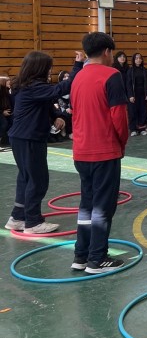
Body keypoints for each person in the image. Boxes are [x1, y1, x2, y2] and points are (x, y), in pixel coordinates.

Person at [4, 50, 84, 234]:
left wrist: (58, 116)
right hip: (29, 138)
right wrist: (78, 65)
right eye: (48, 67)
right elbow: (63, 88)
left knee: (26, 177)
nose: (50, 70)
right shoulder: (34, 87)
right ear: (39, 68)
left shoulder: (27, 86)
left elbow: (46, 104)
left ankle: (17, 217)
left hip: (20, 137)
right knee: (37, 180)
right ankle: (33, 222)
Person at [70, 32, 129, 274]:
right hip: (104, 151)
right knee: (103, 206)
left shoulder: (78, 77)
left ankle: (81, 255)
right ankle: (97, 258)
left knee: (87, 204)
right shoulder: (112, 76)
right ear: (107, 52)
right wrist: (121, 144)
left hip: (81, 151)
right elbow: (119, 117)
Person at [125, 52, 147, 136]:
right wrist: (130, 95)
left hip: (143, 94)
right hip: (133, 95)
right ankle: (133, 129)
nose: (138, 60)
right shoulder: (130, 71)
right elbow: (128, 84)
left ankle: (142, 129)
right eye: (136, 58)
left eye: (140, 58)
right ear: (133, 60)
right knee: (132, 112)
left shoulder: (145, 71)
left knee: (143, 111)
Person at [56, 70, 73, 139]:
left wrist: (70, 107)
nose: (66, 78)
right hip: (61, 107)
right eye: (64, 77)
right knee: (65, 113)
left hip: (70, 107)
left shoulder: (72, 88)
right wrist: (66, 108)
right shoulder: (58, 88)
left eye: (67, 77)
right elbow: (59, 100)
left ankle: (71, 132)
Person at [0, 76, 13, 149]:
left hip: (7, 113)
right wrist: (2, 112)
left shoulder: (7, 92)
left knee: (12, 121)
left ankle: (6, 141)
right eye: (7, 81)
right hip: (1, 113)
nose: (10, 82)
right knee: (3, 123)